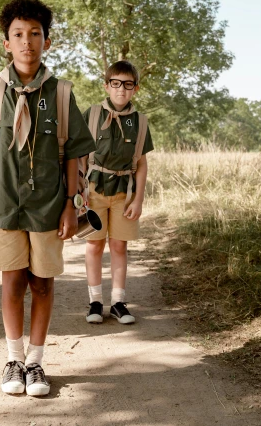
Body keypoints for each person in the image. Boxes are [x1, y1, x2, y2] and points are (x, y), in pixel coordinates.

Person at [0, 0, 96, 396]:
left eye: (35, 34)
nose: (27, 42)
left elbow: (71, 152)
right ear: (6, 43)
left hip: (49, 204)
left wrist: (70, 204)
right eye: (18, 34)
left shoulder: (63, 93)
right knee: (12, 281)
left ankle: (36, 363)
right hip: (2, 201)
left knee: (44, 283)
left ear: (47, 42)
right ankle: (13, 360)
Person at [80, 61, 154, 325]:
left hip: (124, 191)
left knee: (119, 246)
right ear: (107, 86)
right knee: (94, 245)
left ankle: (119, 302)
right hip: (93, 191)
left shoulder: (140, 122)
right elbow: (78, 157)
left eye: (127, 84)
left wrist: (139, 198)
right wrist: (78, 194)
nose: (121, 90)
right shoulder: (91, 114)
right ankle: (96, 302)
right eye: (116, 83)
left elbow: (142, 163)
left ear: (135, 89)